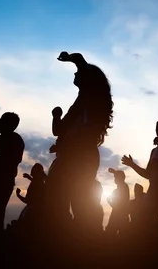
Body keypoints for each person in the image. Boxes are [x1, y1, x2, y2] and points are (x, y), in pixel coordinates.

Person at [44, 51, 114, 237]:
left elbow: (82, 64)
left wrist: (71, 59)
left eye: (79, 72)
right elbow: (58, 130)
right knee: (57, 203)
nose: (75, 73)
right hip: (67, 157)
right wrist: (56, 117)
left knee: (78, 204)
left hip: (81, 157)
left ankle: (83, 245)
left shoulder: (93, 100)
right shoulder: (80, 103)